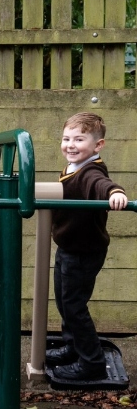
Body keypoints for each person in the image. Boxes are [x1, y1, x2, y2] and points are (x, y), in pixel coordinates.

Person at [45, 112, 128, 381]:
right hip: (69, 246)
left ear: (98, 145)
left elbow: (102, 185)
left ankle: (91, 361)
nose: (70, 144)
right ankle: (73, 345)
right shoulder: (74, 166)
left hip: (83, 252)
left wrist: (115, 193)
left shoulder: (90, 170)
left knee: (74, 306)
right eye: (66, 138)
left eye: (79, 139)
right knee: (64, 301)